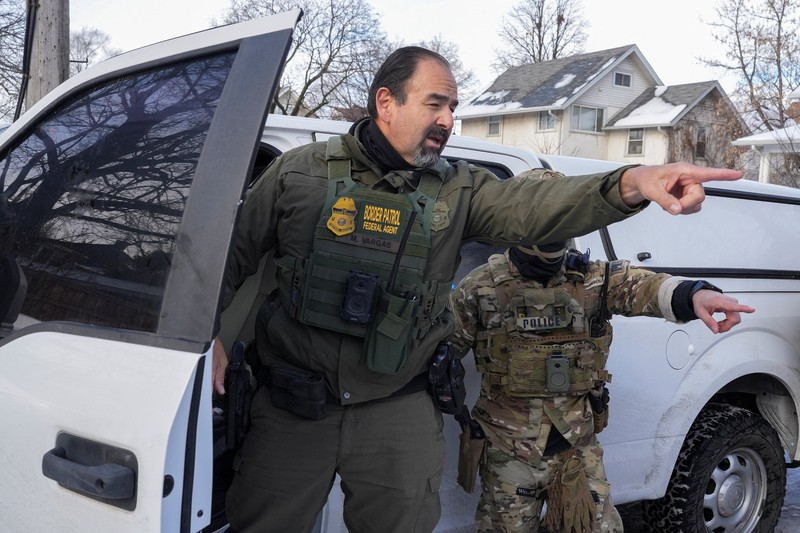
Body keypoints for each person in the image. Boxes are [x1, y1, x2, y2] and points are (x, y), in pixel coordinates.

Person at [213, 45, 743, 533]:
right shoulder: (299, 172)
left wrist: (632, 183)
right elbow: (224, 258)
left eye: (453, 107)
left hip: (395, 410)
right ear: (386, 102)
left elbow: (532, 207)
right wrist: (203, 335)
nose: (448, 120)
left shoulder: (458, 189)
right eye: (435, 104)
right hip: (292, 406)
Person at [448, 239, 754, 533]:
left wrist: (693, 295)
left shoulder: (594, 279)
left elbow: (644, 286)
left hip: (576, 448)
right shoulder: (479, 287)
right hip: (509, 451)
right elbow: (444, 349)